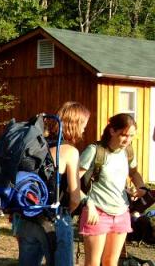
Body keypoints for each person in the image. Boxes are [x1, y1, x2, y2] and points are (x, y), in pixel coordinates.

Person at [14, 101, 90, 266]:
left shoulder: (38, 145)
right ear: (75, 124)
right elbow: (75, 196)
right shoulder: (70, 152)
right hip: (55, 218)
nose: (84, 129)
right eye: (84, 124)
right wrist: (65, 213)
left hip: (28, 217)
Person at [79, 113, 149, 266]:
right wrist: (88, 203)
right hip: (96, 213)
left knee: (111, 262)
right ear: (112, 131)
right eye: (124, 135)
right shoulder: (94, 150)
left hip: (121, 213)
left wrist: (141, 187)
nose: (127, 140)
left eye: (131, 136)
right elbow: (73, 182)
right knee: (93, 263)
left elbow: (134, 173)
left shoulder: (128, 152)